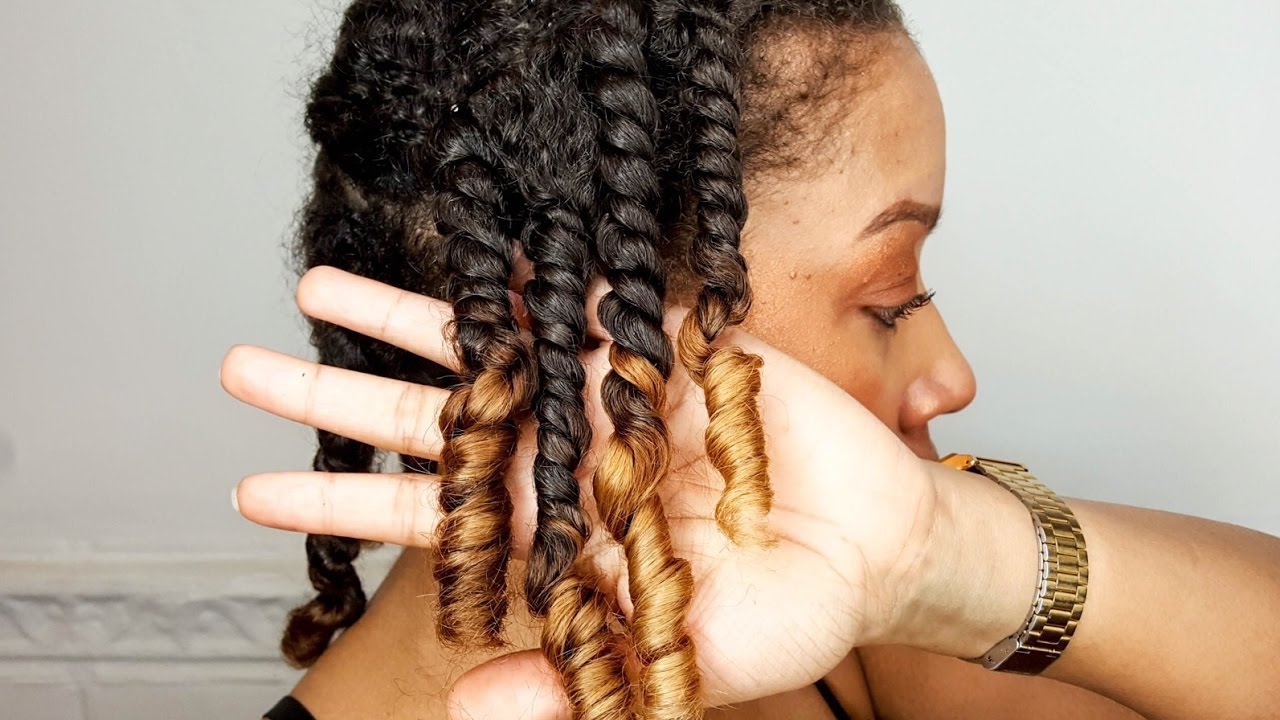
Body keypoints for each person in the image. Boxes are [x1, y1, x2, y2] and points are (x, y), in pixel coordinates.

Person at [219, 0, 1280, 718]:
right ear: (578, 327)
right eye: (890, 298)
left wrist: (951, 554)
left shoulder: (853, 622)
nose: (953, 374)